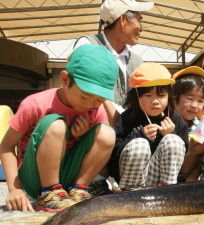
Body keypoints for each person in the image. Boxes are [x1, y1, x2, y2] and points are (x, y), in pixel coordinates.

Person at [0, 45, 118, 212]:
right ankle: (49, 193)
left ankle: (79, 189)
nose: (90, 104)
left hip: (69, 178)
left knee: (107, 133)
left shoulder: (96, 111)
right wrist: (15, 189)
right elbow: (6, 146)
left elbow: (100, 152)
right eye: (85, 96)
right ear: (65, 80)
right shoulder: (35, 104)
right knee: (56, 125)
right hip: (35, 179)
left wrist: (82, 139)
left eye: (99, 100)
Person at [74, 0, 154, 125]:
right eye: (139, 20)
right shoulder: (88, 46)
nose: (142, 28)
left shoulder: (137, 61)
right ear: (123, 19)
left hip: (128, 133)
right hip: (92, 129)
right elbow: (86, 92)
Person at [109, 62, 188, 189]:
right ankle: (130, 194)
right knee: (140, 144)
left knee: (174, 141)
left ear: (169, 96)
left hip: (157, 179)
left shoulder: (175, 119)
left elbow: (184, 151)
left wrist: (170, 134)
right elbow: (114, 152)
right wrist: (139, 135)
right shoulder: (127, 118)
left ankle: (167, 191)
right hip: (130, 179)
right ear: (136, 96)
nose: (155, 101)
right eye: (148, 95)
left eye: (161, 95)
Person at [171, 67, 204, 182]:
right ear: (174, 97)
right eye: (189, 98)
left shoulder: (201, 125)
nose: (194, 105)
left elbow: (203, 157)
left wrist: (194, 174)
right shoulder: (166, 123)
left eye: (200, 101)